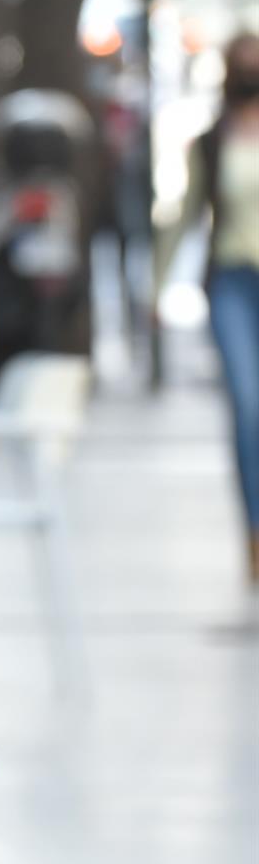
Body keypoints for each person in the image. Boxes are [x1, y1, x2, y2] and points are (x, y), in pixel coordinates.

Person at [167, 33, 259, 585]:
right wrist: (158, 285)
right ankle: (254, 528)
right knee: (249, 407)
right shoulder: (213, 139)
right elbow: (184, 213)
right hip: (230, 281)